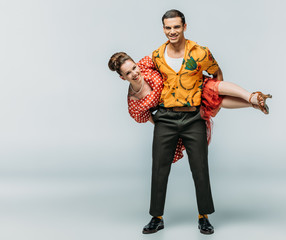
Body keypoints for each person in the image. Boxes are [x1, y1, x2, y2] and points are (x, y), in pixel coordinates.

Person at [108, 10, 271, 235]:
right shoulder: (155, 56)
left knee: (200, 167)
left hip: (194, 117)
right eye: (167, 28)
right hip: (165, 117)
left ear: (185, 26)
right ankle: (156, 217)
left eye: (176, 27)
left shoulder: (201, 52)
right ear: (163, 29)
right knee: (159, 167)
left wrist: (211, 102)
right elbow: (133, 74)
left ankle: (203, 216)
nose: (172, 31)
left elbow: (216, 74)